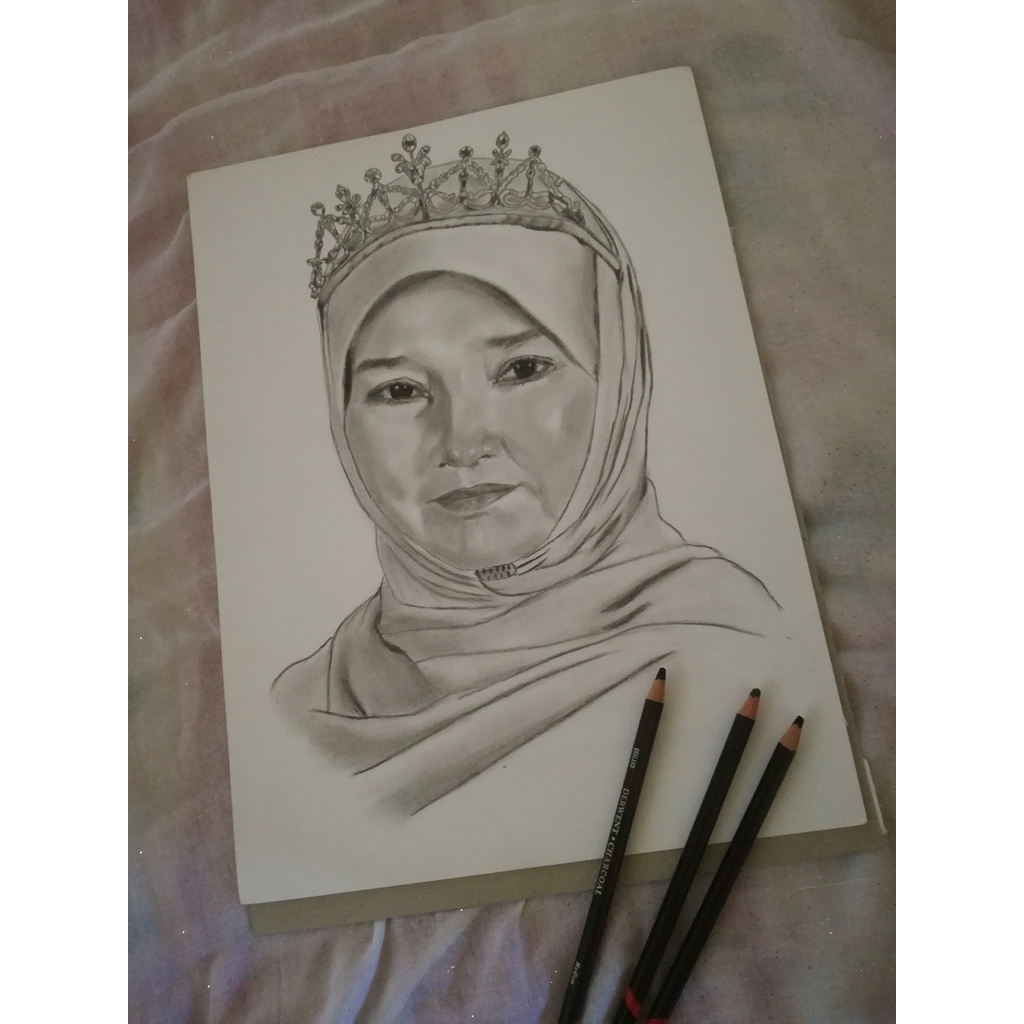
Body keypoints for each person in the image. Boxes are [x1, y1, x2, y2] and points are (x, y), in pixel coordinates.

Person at [272, 133, 781, 814]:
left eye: (522, 369)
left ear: (618, 382)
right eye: (399, 390)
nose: (462, 442)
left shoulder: (740, 644)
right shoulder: (300, 705)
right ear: (342, 420)